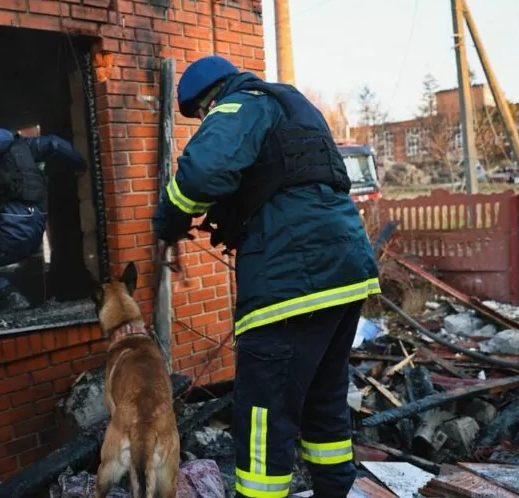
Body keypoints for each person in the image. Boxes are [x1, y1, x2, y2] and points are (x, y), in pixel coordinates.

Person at [152, 56, 381, 498]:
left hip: (291, 280)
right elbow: (291, 182)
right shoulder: (293, 105)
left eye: (201, 113)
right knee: (325, 401)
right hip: (347, 270)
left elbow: (200, 173)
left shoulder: (238, 105)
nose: (204, 120)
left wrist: (169, 219)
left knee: (263, 416)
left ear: (208, 98)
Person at [0, 116, 88, 315]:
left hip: (10, 227)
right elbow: (54, 143)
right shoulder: (25, 146)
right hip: (33, 227)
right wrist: (79, 164)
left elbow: (0, 136)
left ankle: (4, 292)